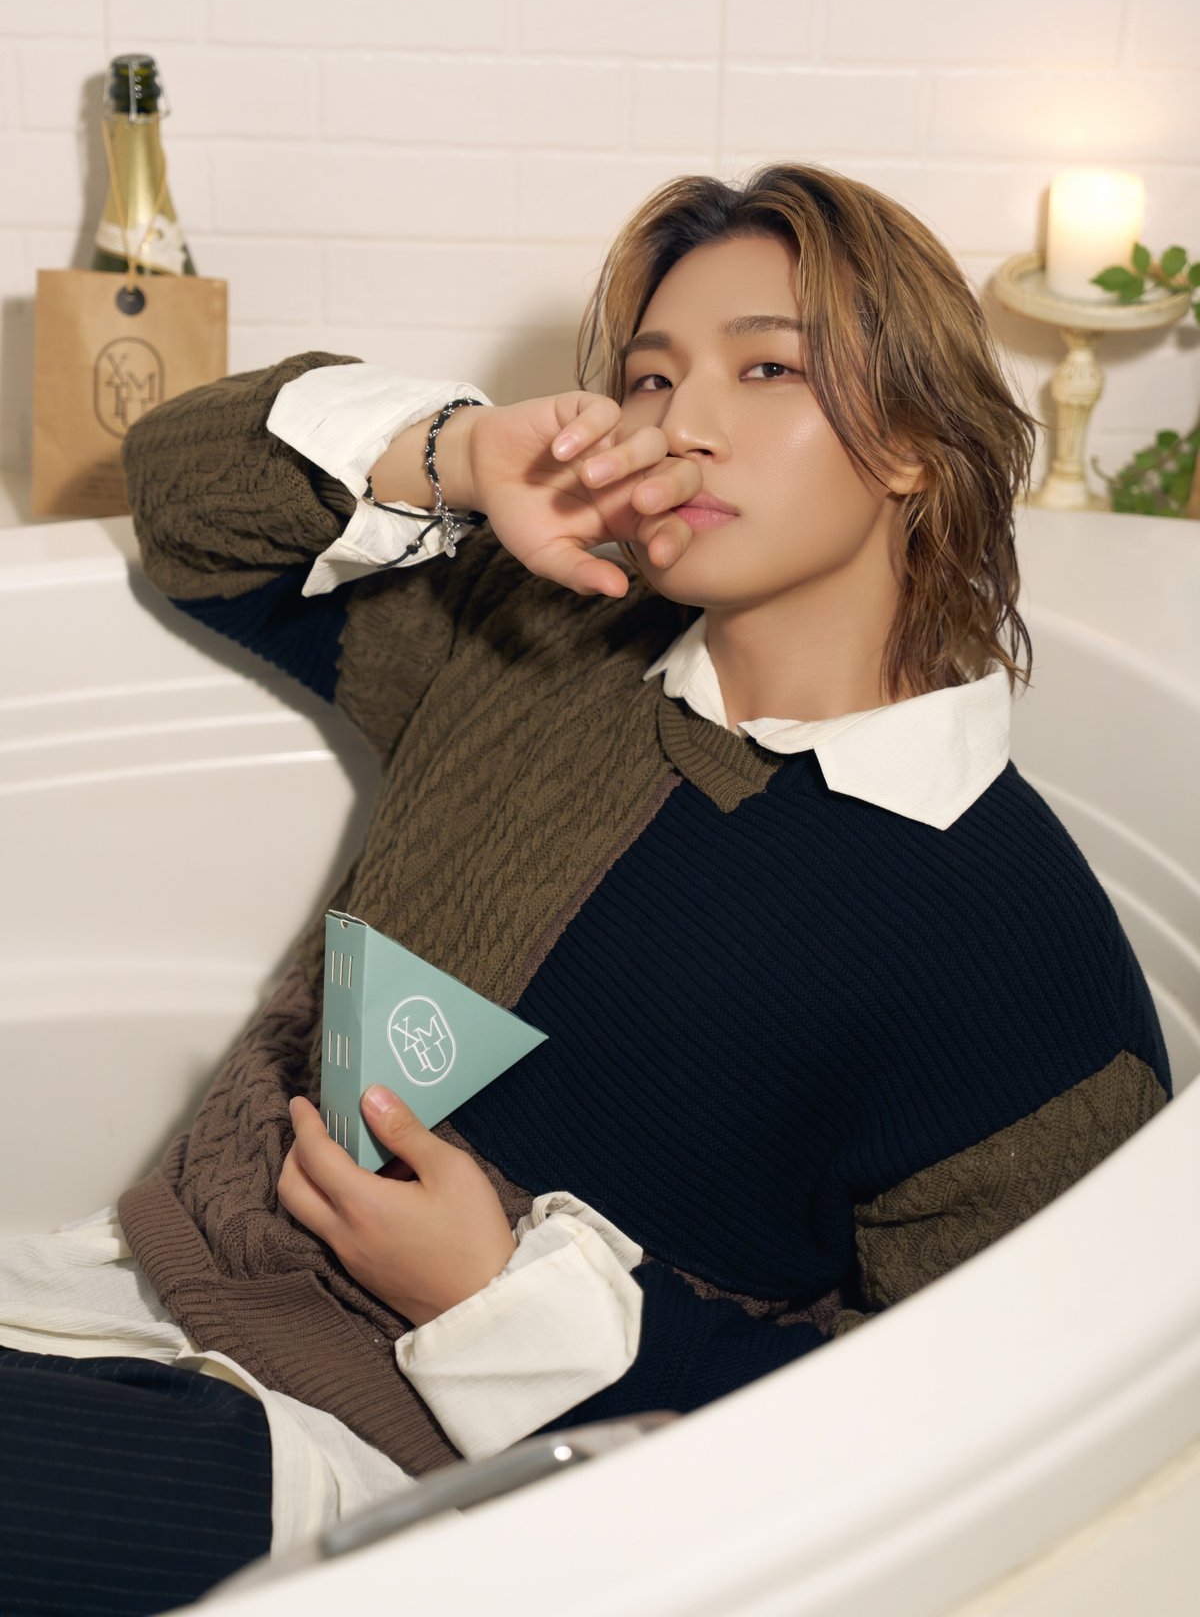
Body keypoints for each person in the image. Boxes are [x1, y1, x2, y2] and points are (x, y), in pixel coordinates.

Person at [0, 163, 1173, 1615]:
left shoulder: (1012, 952)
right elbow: (183, 503)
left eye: (767, 369)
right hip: (136, 1301)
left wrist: (502, 1303)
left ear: (919, 443)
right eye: (651, 377)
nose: (682, 424)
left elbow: (974, 1435)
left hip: (405, 1483)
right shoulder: (540, 637)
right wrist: (458, 454)